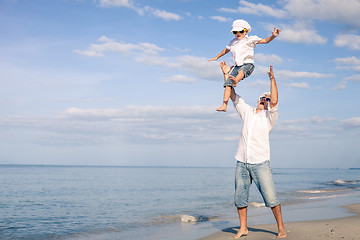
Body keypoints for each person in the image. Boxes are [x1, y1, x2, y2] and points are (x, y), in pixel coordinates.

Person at [220, 61, 287, 239]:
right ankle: (243, 228)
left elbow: (275, 100)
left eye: (267, 100)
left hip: (260, 163)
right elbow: (233, 94)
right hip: (241, 162)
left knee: (271, 198)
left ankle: (281, 228)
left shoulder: (269, 117)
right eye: (262, 98)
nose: (264, 101)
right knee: (240, 198)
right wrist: (226, 74)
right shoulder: (247, 111)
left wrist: (272, 79)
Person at [208, 19, 281, 112]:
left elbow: (265, 41)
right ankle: (224, 105)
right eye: (235, 32)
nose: (238, 34)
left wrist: (273, 36)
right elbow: (226, 50)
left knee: (241, 72)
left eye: (241, 31)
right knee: (227, 85)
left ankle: (236, 81)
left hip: (248, 64)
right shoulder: (233, 42)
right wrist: (217, 57)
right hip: (237, 66)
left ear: (246, 31)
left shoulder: (251, 39)